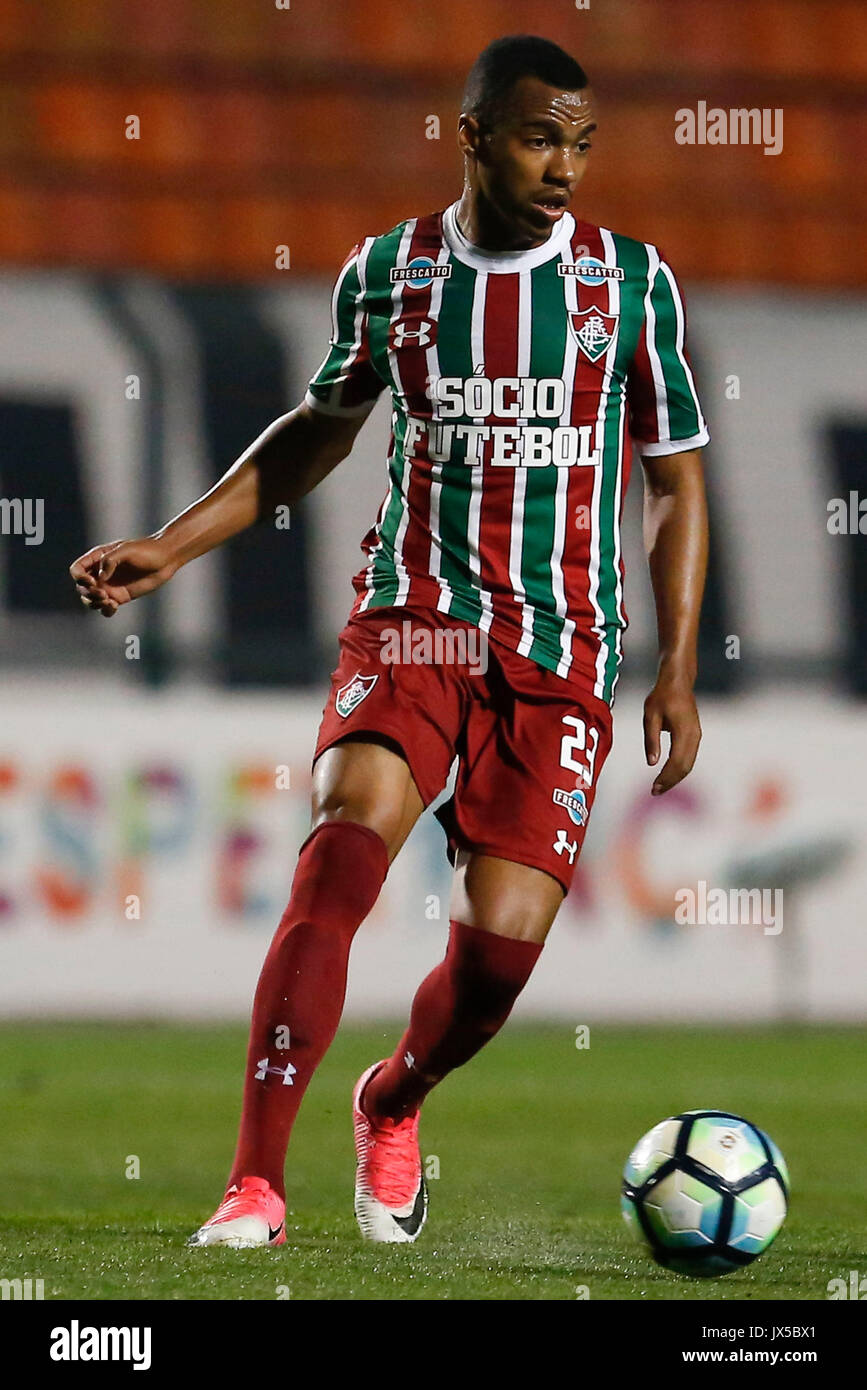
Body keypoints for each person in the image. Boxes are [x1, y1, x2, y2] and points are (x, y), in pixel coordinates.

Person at [69, 34, 709, 1249]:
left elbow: (674, 480)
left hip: (562, 651)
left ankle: (393, 1096)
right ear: (471, 135)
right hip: (414, 622)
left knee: (496, 968)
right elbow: (321, 427)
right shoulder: (391, 273)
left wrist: (674, 668)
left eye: (580, 142)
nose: (564, 165)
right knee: (339, 859)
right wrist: (175, 539)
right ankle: (255, 1184)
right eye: (537, 137)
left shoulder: (630, 283)